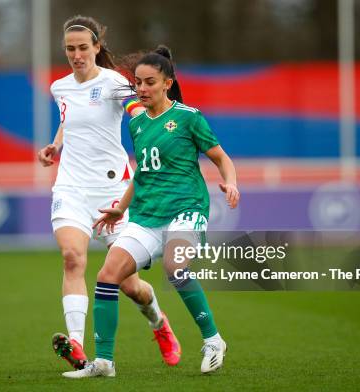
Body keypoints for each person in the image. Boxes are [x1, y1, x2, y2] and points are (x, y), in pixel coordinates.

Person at [62, 45, 240, 378]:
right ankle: (103, 362)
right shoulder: (139, 124)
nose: (142, 89)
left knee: (175, 265)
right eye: (139, 83)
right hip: (146, 214)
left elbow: (221, 158)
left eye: (150, 83)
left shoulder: (189, 117)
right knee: (107, 276)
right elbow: (143, 171)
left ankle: (213, 340)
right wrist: (120, 209)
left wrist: (230, 183)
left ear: (167, 83)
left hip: (186, 210)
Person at [38, 16, 181, 370]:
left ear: (97, 47)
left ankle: (159, 323)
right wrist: (55, 146)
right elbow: (68, 119)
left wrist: (157, 134)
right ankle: (76, 344)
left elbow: (138, 110)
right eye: (70, 49)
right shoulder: (60, 88)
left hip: (113, 195)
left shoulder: (116, 83)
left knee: (130, 286)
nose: (76, 55)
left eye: (83, 48)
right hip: (71, 188)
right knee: (73, 257)